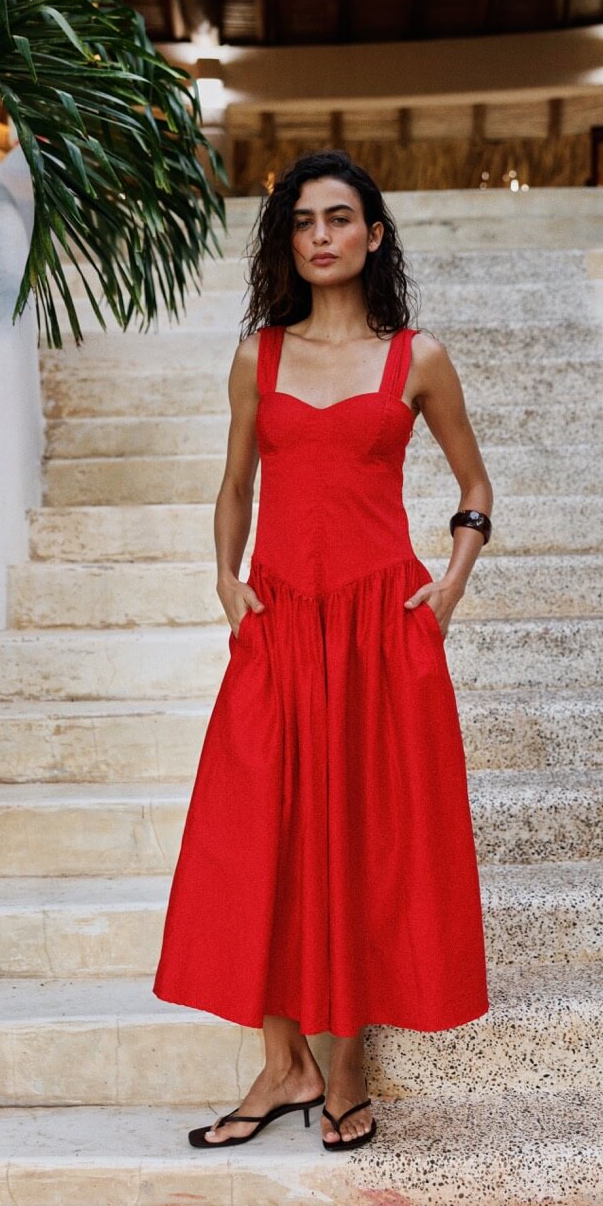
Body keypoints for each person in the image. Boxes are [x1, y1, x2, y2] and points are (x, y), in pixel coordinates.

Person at [152, 149, 492, 1152]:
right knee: (253, 827)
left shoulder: (416, 357)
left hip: (381, 629)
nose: (321, 236)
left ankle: (344, 1068)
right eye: (302, 223)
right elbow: (235, 484)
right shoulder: (258, 356)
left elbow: (473, 485)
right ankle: (283, 1057)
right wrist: (226, 579)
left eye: (339, 219)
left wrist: (450, 583)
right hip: (281, 621)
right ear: (287, 242)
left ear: (373, 235)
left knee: (367, 837)